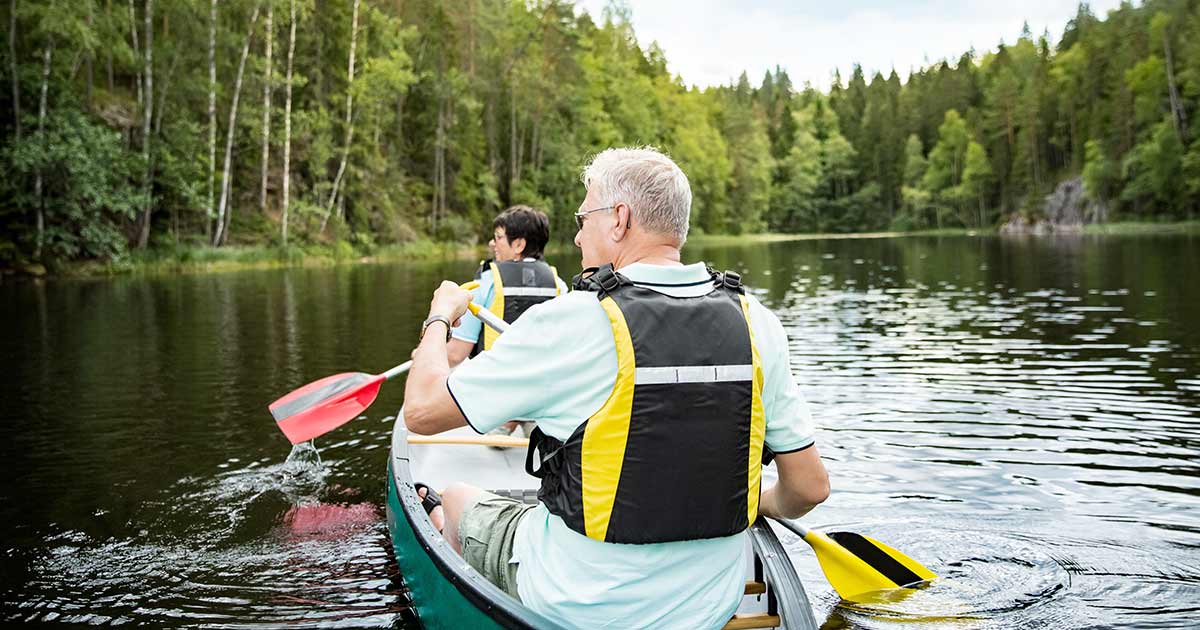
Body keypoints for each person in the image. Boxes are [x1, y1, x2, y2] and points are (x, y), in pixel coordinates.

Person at [404, 146, 830, 629]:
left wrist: (441, 314)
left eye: (585, 217)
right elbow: (809, 488)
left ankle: (447, 537)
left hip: (575, 603)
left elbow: (421, 411)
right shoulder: (759, 325)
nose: (578, 233)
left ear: (619, 220)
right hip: (710, 606)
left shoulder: (570, 322)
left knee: (458, 497)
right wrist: (758, 502)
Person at [446, 205, 568, 439]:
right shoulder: (559, 285)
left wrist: (425, 353)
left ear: (519, 245)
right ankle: (523, 420)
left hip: (499, 399)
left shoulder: (487, 283)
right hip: (542, 402)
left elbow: (455, 355)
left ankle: (509, 421)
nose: (493, 243)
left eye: (498, 238)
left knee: (495, 436)